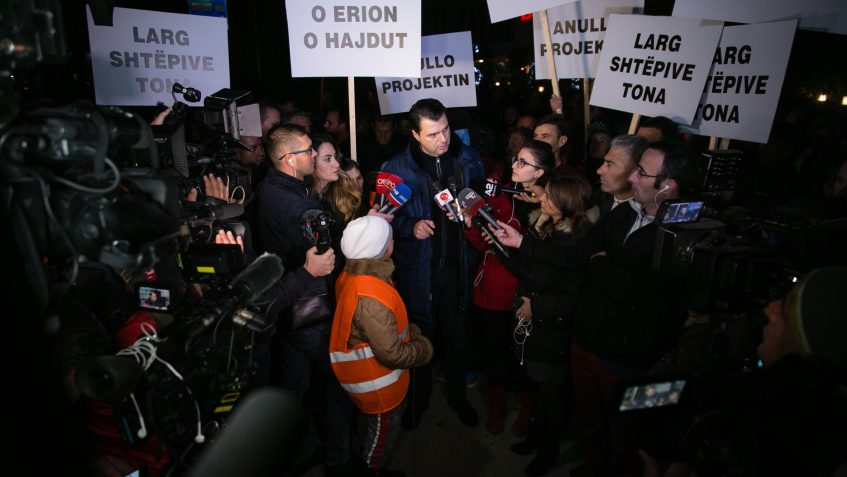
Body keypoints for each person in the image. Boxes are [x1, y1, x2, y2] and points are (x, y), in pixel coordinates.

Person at [494, 139, 700, 477]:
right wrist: (521, 243)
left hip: (628, 359)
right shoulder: (622, 214)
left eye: (641, 172)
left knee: (630, 438)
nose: (631, 178)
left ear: (668, 186)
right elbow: (579, 257)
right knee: (590, 425)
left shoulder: (683, 234)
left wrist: (600, 264)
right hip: (586, 340)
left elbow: (624, 288)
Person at [381, 98, 485, 429]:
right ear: (414, 134)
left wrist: (475, 217)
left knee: (458, 341)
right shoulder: (396, 169)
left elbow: (482, 204)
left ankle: (458, 397)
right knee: (419, 343)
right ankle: (418, 400)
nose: (443, 139)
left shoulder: (468, 159)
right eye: (432, 134)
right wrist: (409, 228)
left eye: (446, 130)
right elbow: (381, 220)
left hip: (459, 270)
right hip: (419, 274)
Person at [254, 123, 337, 473]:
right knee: (335, 382)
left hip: (288, 306)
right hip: (306, 307)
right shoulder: (293, 204)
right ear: (289, 159)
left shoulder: (270, 186)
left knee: (293, 385)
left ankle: (297, 454)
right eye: (308, 151)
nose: (315, 154)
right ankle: (339, 457)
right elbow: (325, 254)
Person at [503, 174, 597, 476]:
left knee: (551, 395)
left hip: (553, 333)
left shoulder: (575, 243)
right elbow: (527, 268)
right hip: (534, 330)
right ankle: (534, 438)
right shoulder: (542, 229)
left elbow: (573, 300)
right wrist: (499, 245)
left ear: (566, 203)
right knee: (536, 388)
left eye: (549, 196)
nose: (541, 198)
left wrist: (537, 307)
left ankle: (548, 450)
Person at [461, 140, 554, 437]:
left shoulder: (552, 205)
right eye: (515, 159)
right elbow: (478, 243)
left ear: (540, 173)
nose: (514, 166)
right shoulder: (500, 199)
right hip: (492, 289)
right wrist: (470, 223)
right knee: (496, 352)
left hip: (527, 292)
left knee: (524, 356)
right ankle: (498, 408)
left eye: (523, 163)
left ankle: (527, 410)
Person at [329, 216, 434, 476]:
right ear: (382, 249)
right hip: (378, 388)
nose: (393, 242)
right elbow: (391, 353)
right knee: (380, 439)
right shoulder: (370, 296)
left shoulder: (351, 273)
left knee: (367, 429)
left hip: (365, 382)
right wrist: (423, 348)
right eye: (390, 240)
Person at [596, 135, 649, 218]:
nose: (599, 171)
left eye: (609, 164)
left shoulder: (644, 215)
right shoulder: (595, 200)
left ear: (636, 172)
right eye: (604, 162)